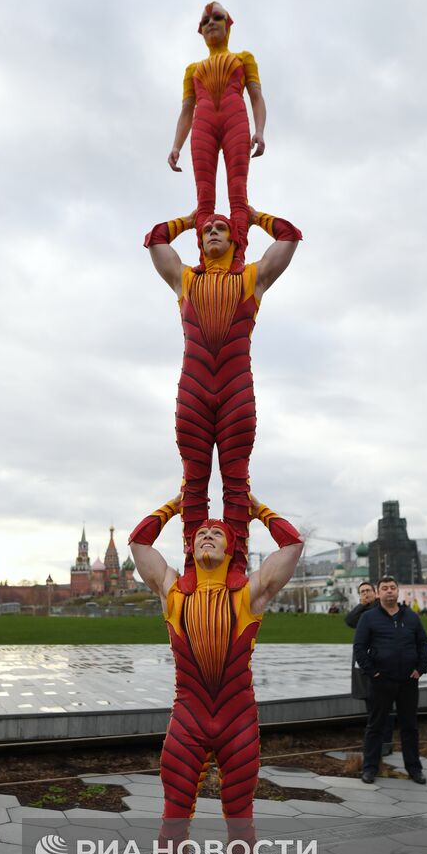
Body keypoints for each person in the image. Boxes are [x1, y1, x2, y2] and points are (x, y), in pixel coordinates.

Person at [129, 492, 303, 854]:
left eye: (218, 532)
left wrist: (256, 507)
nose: (208, 533)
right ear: (191, 546)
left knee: (240, 816)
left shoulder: (248, 592)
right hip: (188, 714)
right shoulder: (172, 590)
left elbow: (292, 546)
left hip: (237, 716)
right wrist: (177, 502)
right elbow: (138, 541)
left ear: (232, 549)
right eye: (201, 532)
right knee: (171, 822)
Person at [144, 207, 301, 592]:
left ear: (234, 239)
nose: (213, 232)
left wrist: (250, 215)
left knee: (237, 485)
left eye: (221, 228)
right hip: (194, 391)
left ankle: (236, 566)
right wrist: (193, 217)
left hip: (235, 391)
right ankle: (192, 567)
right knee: (193, 485)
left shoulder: (251, 278)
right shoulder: (185, 279)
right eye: (208, 230)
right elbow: (155, 239)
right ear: (200, 241)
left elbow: (290, 236)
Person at [168, 1, 266, 272]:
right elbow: (187, 110)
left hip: (236, 122)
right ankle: (206, 260)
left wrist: (259, 131)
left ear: (228, 23)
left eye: (217, 17)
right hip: (204, 126)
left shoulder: (243, 59)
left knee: (238, 193)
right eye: (205, 20)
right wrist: (176, 145)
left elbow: (256, 97)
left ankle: (237, 257)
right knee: (204, 198)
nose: (210, 22)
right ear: (200, 31)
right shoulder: (192, 70)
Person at [353, 575, 427, 785]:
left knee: (409, 726)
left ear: (398, 591)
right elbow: (359, 647)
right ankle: (369, 768)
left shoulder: (411, 617)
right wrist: (372, 672)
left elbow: (423, 644)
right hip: (381, 681)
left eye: (392, 587)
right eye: (385, 588)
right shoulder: (369, 618)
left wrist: (420, 669)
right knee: (375, 726)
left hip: (407, 681)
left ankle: (414, 769)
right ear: (378, 593)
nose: (389, 591)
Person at [345, 581, 395, 757]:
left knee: (386, 706)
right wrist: (361, 605)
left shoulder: (381, 609)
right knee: (370, 706)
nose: (365, 594)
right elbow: (349, 621)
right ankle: (375, 742)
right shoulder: (361, 612)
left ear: (375, 593)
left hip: (382, 665)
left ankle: (386, 743)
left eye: (368, 591)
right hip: (364, 665)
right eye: (362, 592)